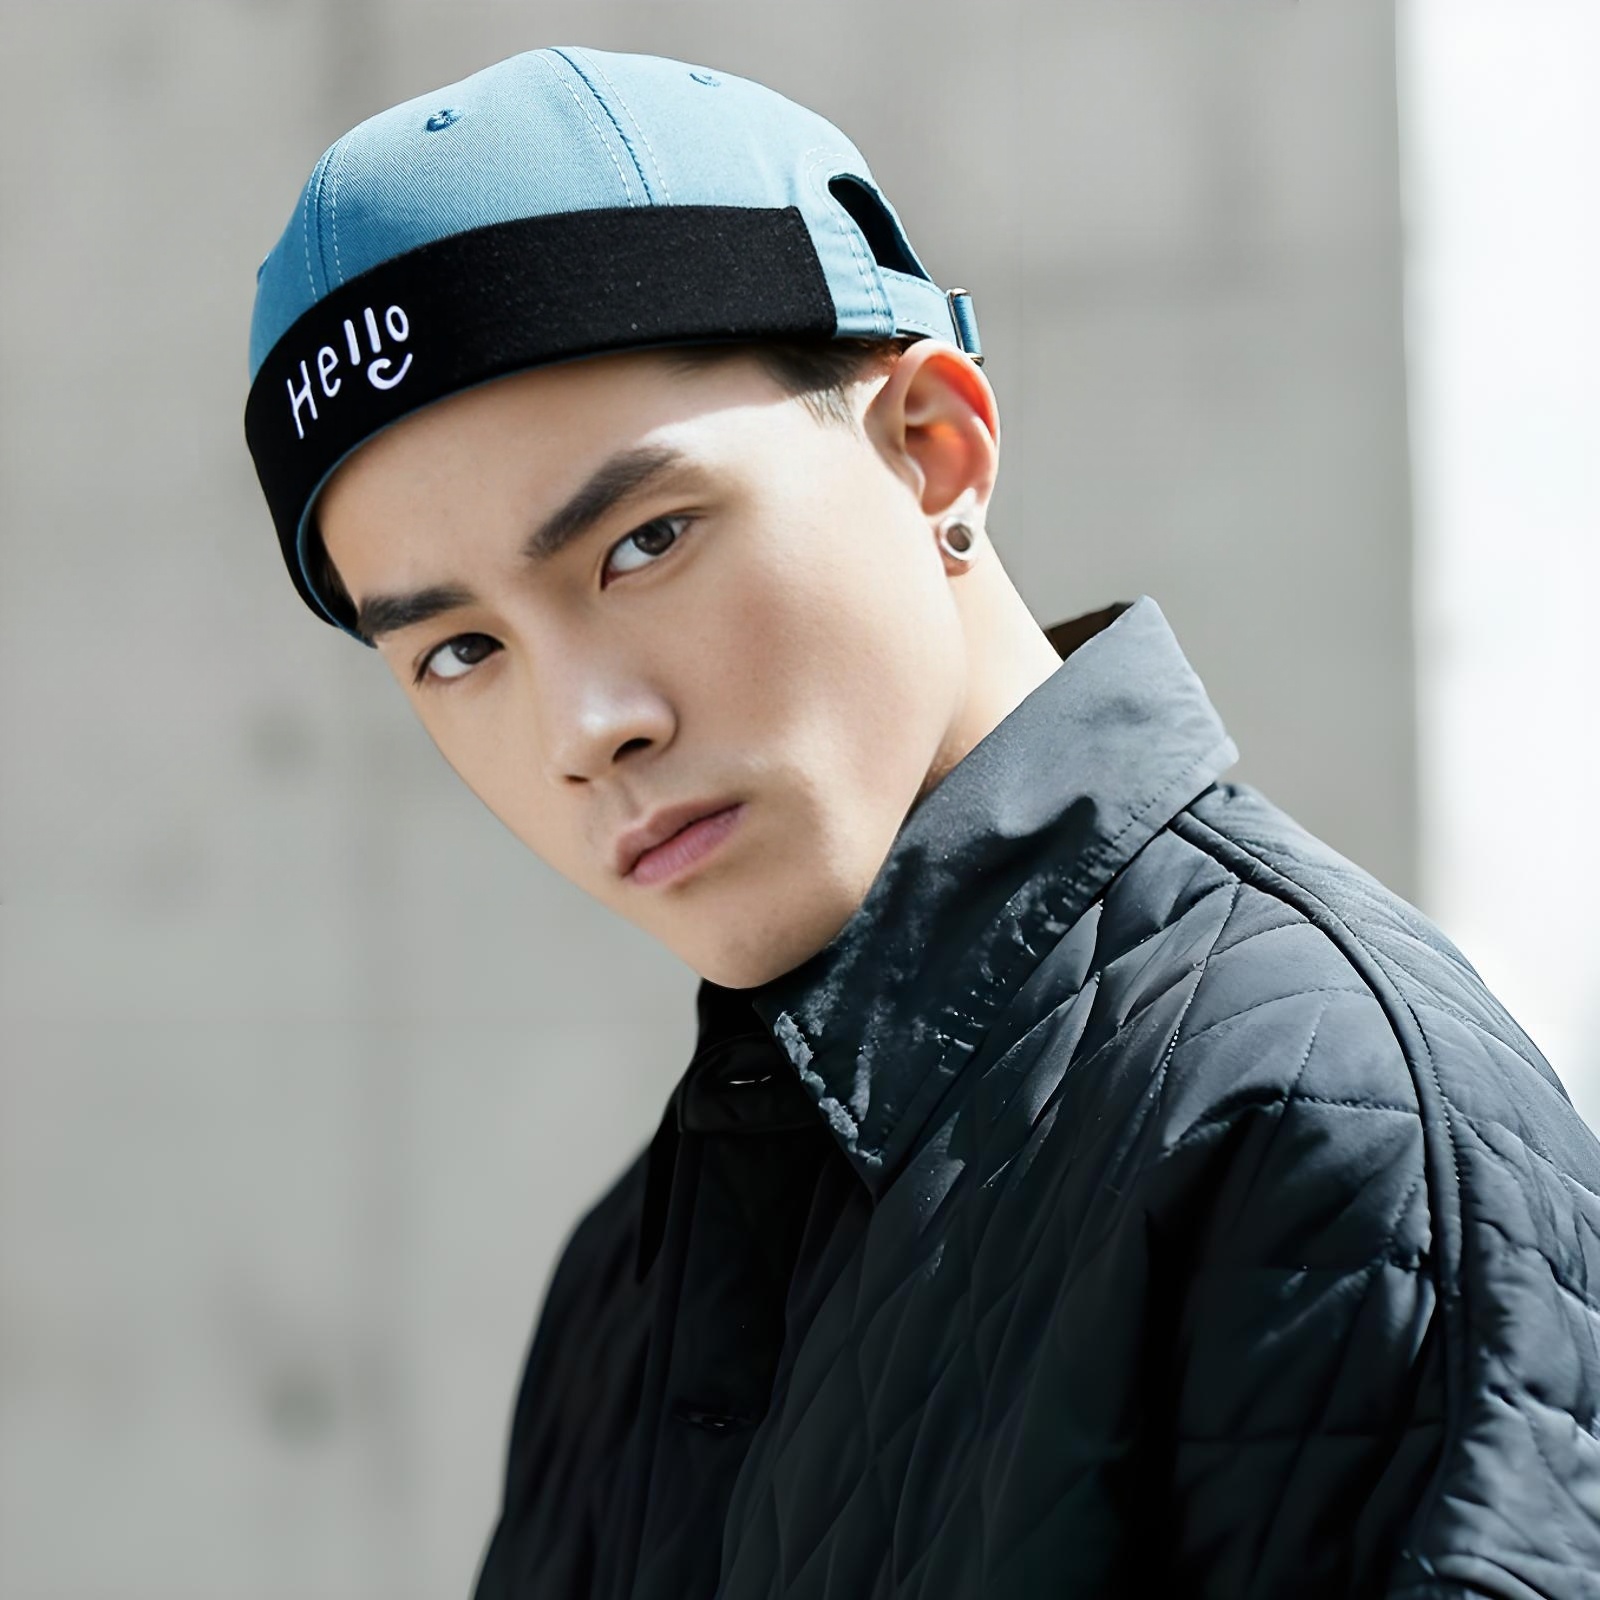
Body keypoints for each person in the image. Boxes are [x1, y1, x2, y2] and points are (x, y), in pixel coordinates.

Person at [243, 45, 1600, 1600]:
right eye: (459, 651)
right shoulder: (628, 1283)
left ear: (931, 445)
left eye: (645, 542)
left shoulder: (1321, 1127)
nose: (583, 727)